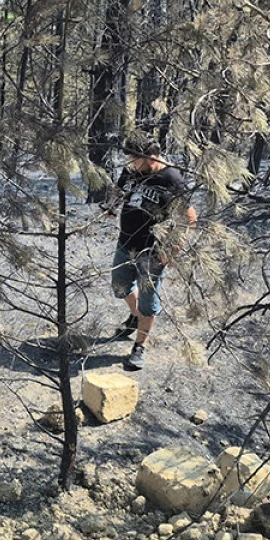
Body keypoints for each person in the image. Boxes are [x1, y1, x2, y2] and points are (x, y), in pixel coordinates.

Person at [101, 135, 197, 370]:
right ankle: (136, 317)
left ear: (151, 158)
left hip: (152, 250)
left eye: (135, 159)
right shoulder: (132, 170)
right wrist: (112, 204)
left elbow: (189, 218)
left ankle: (139, 347)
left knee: (148, 302)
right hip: (125, 243)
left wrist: (171, 249)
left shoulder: (171, 178)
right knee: (120, 286)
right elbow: (119, 188)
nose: (130, 164)